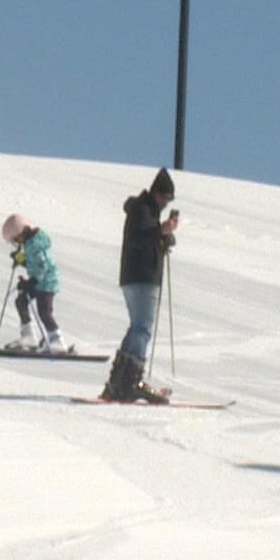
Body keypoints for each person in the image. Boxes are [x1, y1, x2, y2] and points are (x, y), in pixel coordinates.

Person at [98, 168, 178, 402]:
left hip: (135, 276)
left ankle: (118, 383)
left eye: (169, 199)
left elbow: (146, 237)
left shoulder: (144, 211)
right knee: (142, 328)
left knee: (136, 327)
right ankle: (131, 382)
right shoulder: (142, 210)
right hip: (142, 276)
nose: (166, 203)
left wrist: (163, 236)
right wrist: (160, 231)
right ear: (156, 193)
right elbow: (139, 237)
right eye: (165, 197)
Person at [0, 214, 73, 353]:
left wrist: (30, 282)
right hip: (39, 282)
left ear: (21, 232)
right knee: (21, 301)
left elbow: (42, 267)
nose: (17, 243)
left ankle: (57, 341)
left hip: (47, 283)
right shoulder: (29, 244)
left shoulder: (35, 245)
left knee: (44, 311)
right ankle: (29, 337)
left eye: (16, 239)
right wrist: (20, 259)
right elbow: (32, 263)